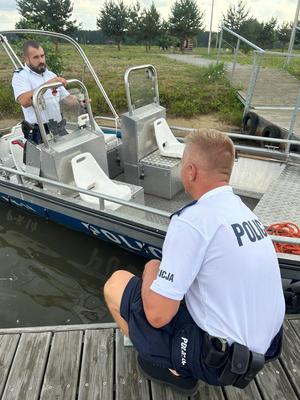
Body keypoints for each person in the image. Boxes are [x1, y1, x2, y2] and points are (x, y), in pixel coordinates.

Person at [104, 129, 285, 394]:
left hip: (219, 362)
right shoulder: (245, 212)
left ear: (191, 171)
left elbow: (157, 315)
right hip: (263, 349)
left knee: (116, 283)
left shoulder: (192, 221)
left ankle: (174, 369)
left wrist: (151, 268)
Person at [11, 40, 79, 144]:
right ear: (26, 59)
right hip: (39, 132)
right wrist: (49, 84)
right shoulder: (20, 76)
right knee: (45, 160)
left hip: (59, 127)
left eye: (42, 56)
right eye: (36, 57)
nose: (41, 60)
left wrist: (81, 100)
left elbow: (67, 99)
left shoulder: (51, 75)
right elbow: (25, 101)